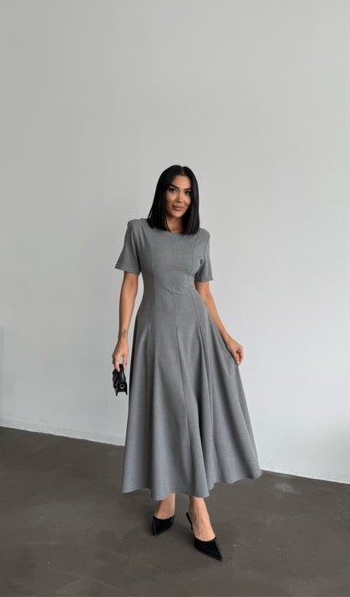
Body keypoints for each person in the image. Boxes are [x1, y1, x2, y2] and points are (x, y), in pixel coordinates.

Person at [112, 164, 262, 561]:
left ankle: (192, 504)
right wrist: (122, 338)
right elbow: (130, 284)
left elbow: (204, 294)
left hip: (196, 334)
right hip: (156, 334)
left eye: (188, 192)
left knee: (191, 415)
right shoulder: (138, 231)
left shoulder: (201, 238)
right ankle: (175, 499)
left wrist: (226, 337)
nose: (181, 198)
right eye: (174, 190)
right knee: (169, 412)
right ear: (162, 192)